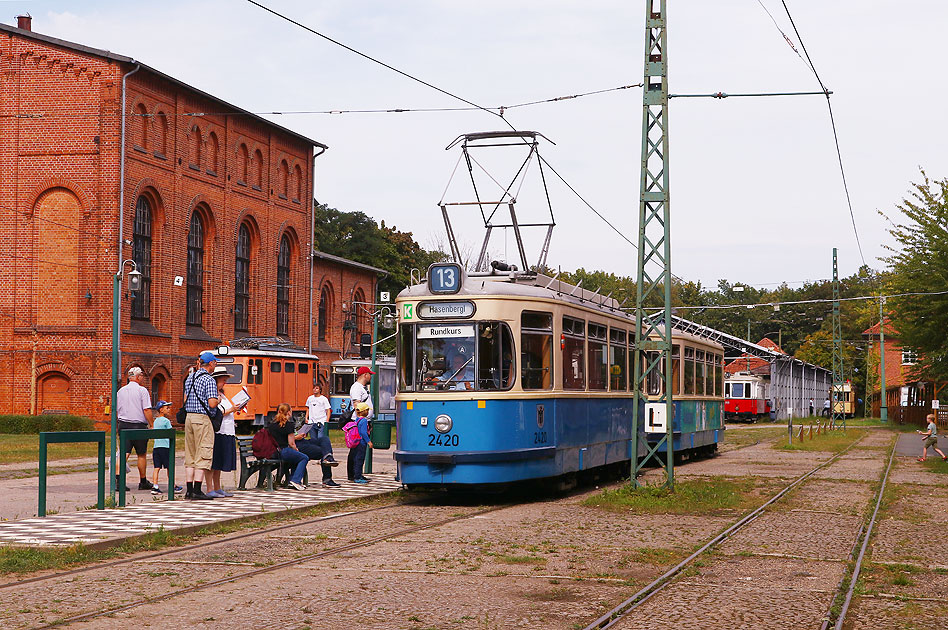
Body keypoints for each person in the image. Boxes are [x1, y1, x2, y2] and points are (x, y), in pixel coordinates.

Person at [182, 351, 220, 500]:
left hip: (189, 418)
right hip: (202, 419)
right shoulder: (209, 380)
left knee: (190, 454)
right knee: (203, 453)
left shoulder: (190, 378)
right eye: (215, 363)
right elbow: (211, 403)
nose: (215, 365)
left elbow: (185, 400)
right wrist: (218, 400)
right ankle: (198, 490)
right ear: (211, 363)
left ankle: (189, 490)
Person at [116, 366, 158, 492]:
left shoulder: (121, 391)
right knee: (141, 454)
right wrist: (151, 424)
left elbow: (117, 408)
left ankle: (118, 481)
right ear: (138, 377)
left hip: (123, 424)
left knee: (123, 453)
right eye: (142, 376)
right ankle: (143, 481)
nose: (143, 378)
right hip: (138, 425)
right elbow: (146, 409)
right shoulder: (142, 390)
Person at [207, 366, 246, 497]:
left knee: (220, 462)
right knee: (214, 461)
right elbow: (215, 413)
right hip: (219, 431)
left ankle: (217, 487)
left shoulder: (222, 395)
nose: (225, 383)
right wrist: (231, 410)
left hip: (228, 430)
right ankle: (210, 488)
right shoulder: (213, 396)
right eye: (223, 380)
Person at [268, 403, 308, 490]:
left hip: (273, 452)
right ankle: (296, 481)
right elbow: (291, 443)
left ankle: (291, 480)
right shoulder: (289, 425)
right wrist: (296, 449)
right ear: (289, 412)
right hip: (283, 451)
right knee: (304, 457)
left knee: (295, 458)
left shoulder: (272, 425)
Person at [150, 401, 183, 495]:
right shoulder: (166, 421)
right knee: (169, 467)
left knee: (157, 467)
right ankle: (172, 485)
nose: (169, 409)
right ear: (161, 410)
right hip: (165, 447)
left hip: (156, 447)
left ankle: (155, 486)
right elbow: (170, 433)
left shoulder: (155, 421)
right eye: (167, 408)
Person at [294, 422, 340, 487]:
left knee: (324, 439)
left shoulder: (290, 421)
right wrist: (296, 437)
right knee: (324, 451)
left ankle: (328, 458)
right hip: (296, 446)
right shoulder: (282, 423)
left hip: (303, 441)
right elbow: (283, 439)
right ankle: (327, 479)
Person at [347, 402, 372, 484]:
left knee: (356, 459)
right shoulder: (364, 420)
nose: (368, 412)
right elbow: (364, 432)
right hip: (362, 443)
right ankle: (358, 477)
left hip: (356, 442)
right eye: (367, 410)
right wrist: (368, 441)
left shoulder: (357, 420)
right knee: (360, 460)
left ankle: (356, 475)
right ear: (364, 411)